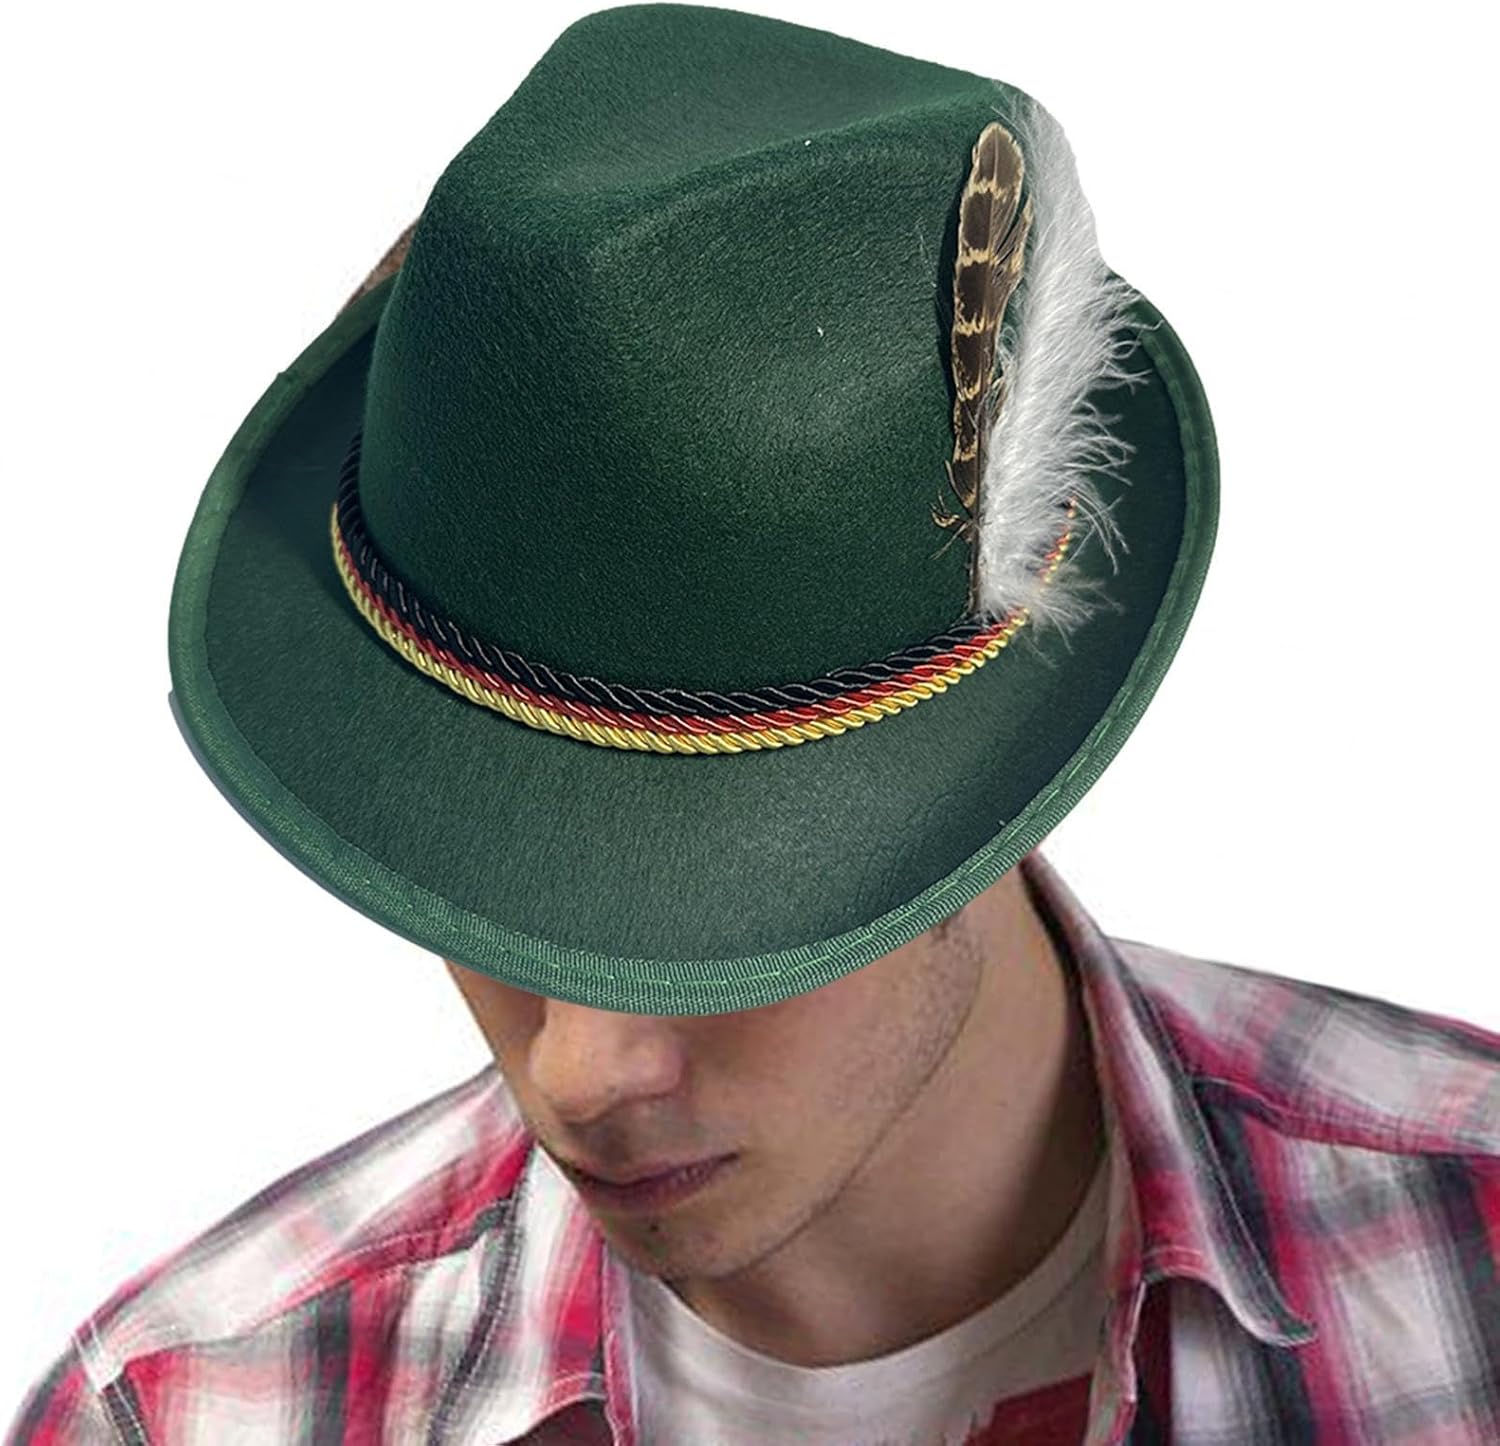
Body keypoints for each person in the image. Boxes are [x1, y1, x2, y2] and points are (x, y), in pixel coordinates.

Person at [9, 6, 1500, 1444]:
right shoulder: (196, 1413)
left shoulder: (1471, 1257)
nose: (583, 1073)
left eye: (702, 913)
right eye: (487, 891)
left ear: (981, 787)